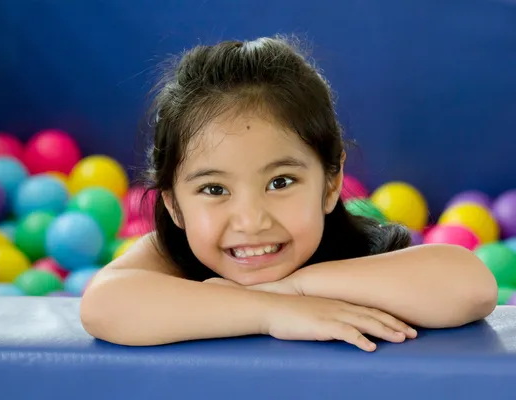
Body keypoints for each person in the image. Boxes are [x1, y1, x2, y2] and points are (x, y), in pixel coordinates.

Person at [80, 35, 498, 352]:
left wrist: (298, 288)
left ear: (330, 185)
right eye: (213, 189)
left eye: (280, 182)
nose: (251, 220)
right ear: (173, 206)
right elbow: (102, 305)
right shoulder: (173, 255)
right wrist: (270, 311)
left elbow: (471, 286)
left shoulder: (357, 251)